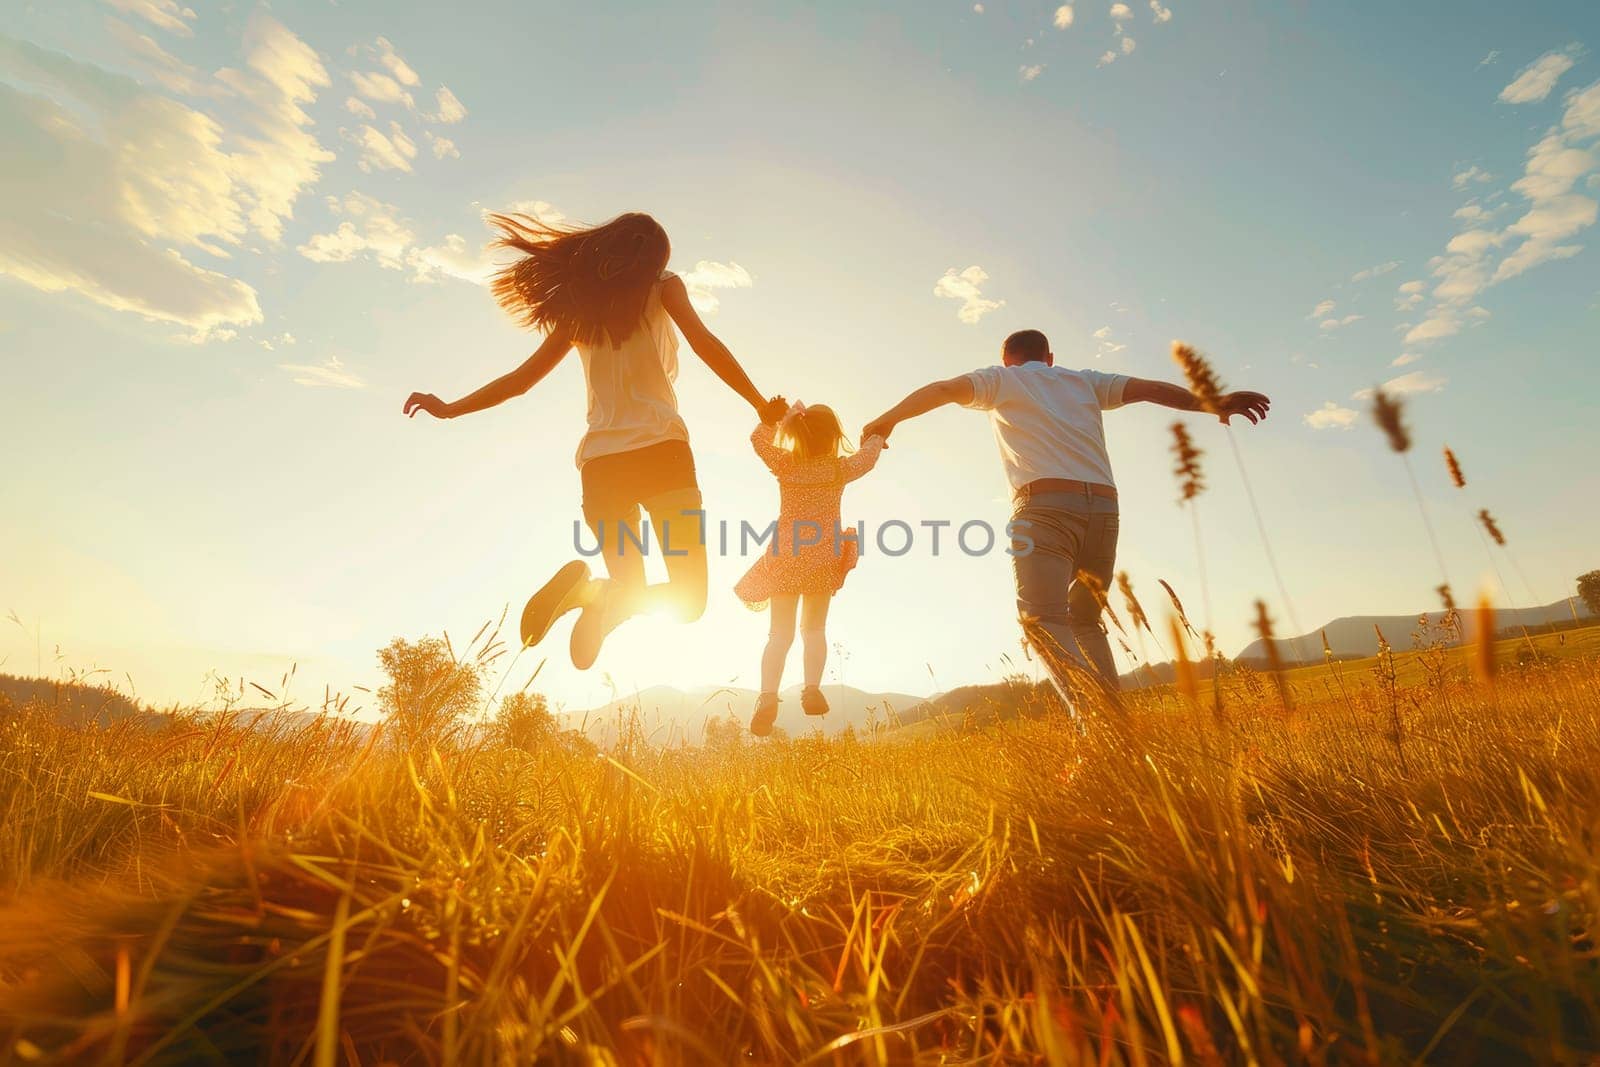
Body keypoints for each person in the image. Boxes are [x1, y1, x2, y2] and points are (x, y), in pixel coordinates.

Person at [404, 211, 783, 669]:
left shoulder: (580, 309)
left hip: (602, 468)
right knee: (688, 601)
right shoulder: (664, 287)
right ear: (656, 258)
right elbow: (704, 342)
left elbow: (521, 380)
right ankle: (596, 595)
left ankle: (592, 594)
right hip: (662, 455)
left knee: (632, 589)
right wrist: (759, 403)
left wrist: (450, 408)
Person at [861, 329, 1269, 707]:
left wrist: (886, 420)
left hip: (1045, 508)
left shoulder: (1001, 380)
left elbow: (944, 389)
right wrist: (1210, 403)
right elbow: (1151, 389)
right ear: (1050, 358)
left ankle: (1098, 722)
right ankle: (1114, 724)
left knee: (1043, 621)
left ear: (1006, 360)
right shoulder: (1085, 380)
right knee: (1086, 620)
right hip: (1105, 510)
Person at [736, 402, 885, 736]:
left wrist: (777, 420)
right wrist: (876, 436)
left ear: (797, 434)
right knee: (814, 630)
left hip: (786, 556)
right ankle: (812, 689)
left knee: (780, 634)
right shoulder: (837, 470)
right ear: (834, 436)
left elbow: (758, 441)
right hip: (821, 557)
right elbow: (868, 458)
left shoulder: (786, 466)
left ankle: (767, 697)